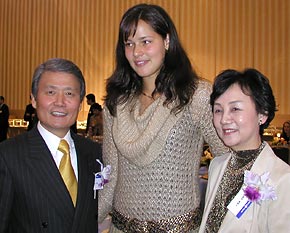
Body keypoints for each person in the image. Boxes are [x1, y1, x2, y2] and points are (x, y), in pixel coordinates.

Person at [98, 4, 228, 232]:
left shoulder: (196, 96)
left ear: (167, 41)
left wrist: (213, 221)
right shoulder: (115, 103)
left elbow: (225, 161)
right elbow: (111, 174)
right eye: (129, 44)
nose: (137, 52)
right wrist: (88, 218)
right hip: (121, 228)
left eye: (146, 41)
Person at [0, 58, 102, 233]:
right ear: (33, 99)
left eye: (69, 94)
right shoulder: (8, 155)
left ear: (80, 102)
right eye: (50, 92)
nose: (60, 102)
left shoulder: (94, 152)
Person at [199, 68, 290, 233]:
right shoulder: (217, 165)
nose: (224, 119)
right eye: (218, 110)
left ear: (262, 114)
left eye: (235, 109)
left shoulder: (283, 179)